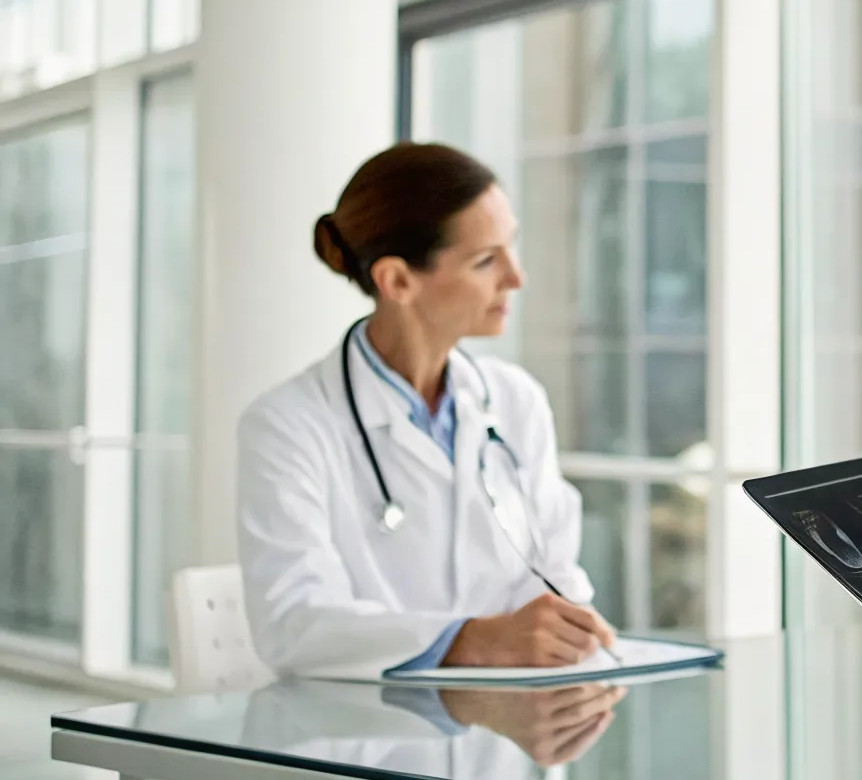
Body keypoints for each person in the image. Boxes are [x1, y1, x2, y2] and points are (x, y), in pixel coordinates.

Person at [239, 142, 618, 679]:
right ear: (397, 281)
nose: (516, 277)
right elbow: (293, 622)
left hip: (515, 737)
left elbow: (555, 575)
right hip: (358, 742)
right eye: (486, 260)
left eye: (511, 248)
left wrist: (570, 639)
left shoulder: (516, 401)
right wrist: (476, 640)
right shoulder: (287, 425)